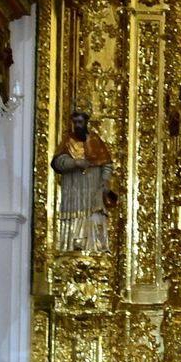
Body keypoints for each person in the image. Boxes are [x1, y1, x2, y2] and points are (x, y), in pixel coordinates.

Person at [52, 107, 115, 253]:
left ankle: (95, 247)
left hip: (93, 188)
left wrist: (105, 180)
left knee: (94, 216)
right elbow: (58, 162)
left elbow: (106, 163)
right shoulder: (67, 141)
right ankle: (74, 246)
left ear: (86, 122)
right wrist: (74, 163)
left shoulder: (95, 140)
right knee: (76, 218)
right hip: (74, 190)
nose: (77, 125)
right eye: (75, 122)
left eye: (80, 122)